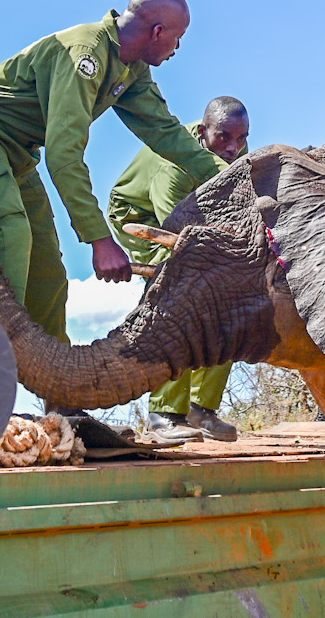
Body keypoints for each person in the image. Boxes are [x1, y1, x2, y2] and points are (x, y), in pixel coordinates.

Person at [0, 0, 223, 353]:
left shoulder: (132, 67)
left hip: (20, 152)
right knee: (11, 232)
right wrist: (101, 240)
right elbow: (64, 154)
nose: (177, 48)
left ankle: (56, 389)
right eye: (178, 37)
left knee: (47, 269)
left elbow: (167, 133)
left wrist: (233, 177)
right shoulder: (87, 53)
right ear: (158, 32)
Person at [108, 95, 250, 443]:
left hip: (202, 221)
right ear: (203, 132)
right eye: (224, 138)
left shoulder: (238, 155)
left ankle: (202, 410)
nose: (234, 148)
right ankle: (164, 414)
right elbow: (173, 228)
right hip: (142, 217)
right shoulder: (172, 166)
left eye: (242, 138)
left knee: (231, 295)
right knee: (177, 298)